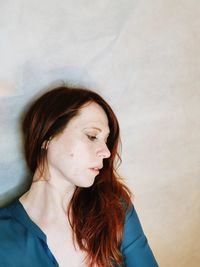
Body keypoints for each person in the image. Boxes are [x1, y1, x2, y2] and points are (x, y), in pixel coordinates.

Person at [0, 85, 159, 267]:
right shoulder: (3, 236)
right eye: (92, 136)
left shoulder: (114, 207)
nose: (106, 152)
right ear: (47, 136)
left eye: (106, 141)